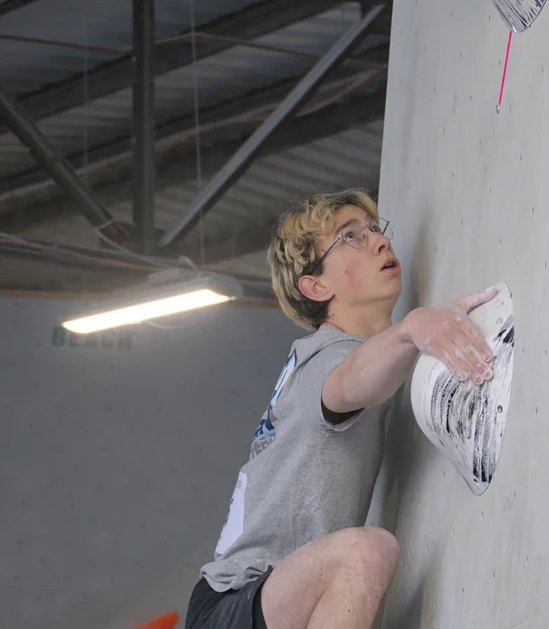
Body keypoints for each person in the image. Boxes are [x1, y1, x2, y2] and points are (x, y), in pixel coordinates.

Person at [185, 188, 497, 629]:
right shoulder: (324, 356)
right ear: (316, 286)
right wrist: (414, 328)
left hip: (263, 601)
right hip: (235, 601)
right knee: (365, 552)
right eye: (350, 237)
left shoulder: (350, 355)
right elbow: (350, 383)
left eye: (374, 229)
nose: (379, 241)